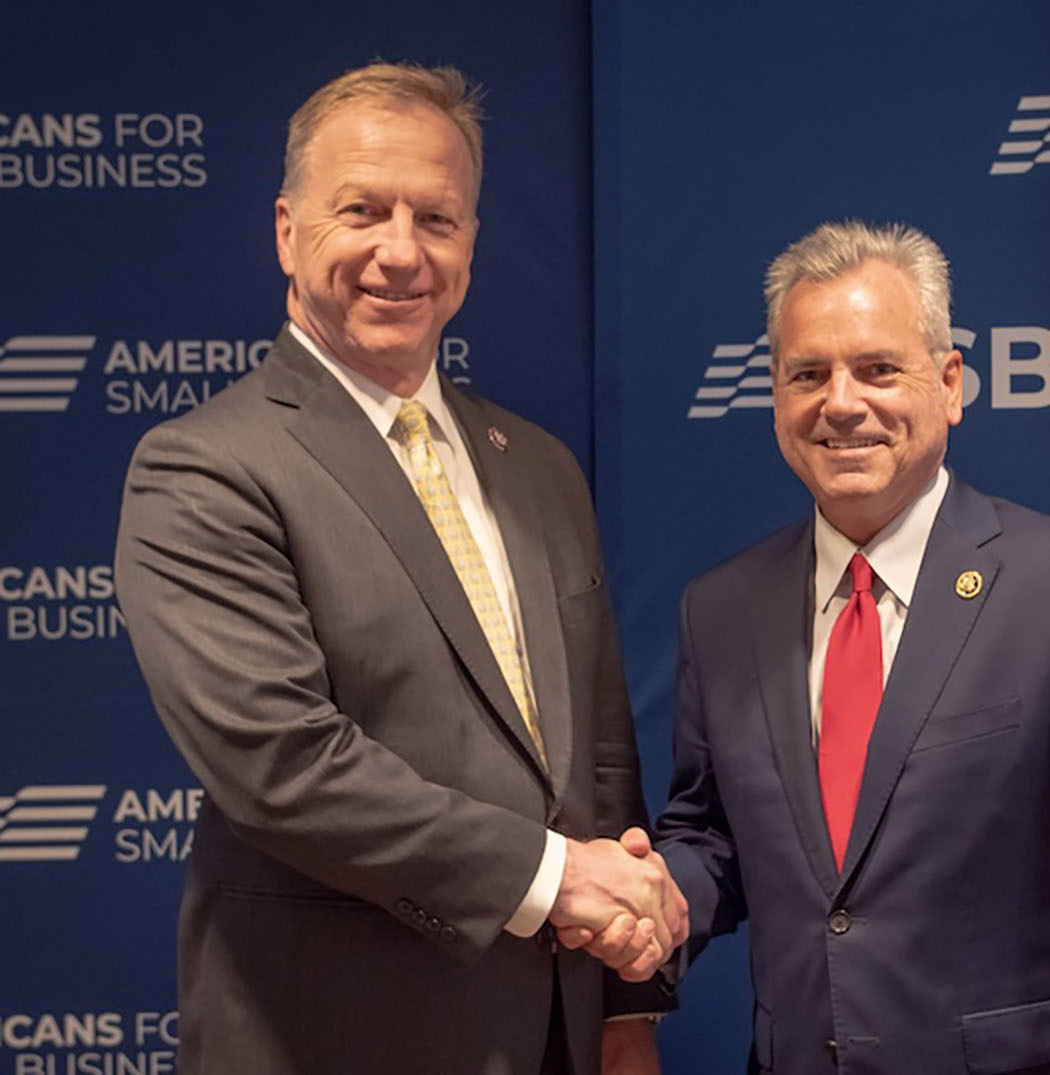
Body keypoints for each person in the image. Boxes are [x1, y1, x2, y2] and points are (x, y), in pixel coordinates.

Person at [115, 62, 680, 1075]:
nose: (401, 251)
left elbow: (597, 753)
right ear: (287, 230)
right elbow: (282, 767)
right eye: (363, 210)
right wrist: (555, 878)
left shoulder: (539, 466)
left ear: (472, 242)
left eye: (437, 218)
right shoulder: (205, 468)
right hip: (333, 1039)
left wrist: (626, 1006)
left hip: (554, 1036)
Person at [649, 221, 1050, 1072]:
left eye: (878, 368)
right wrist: (653, 894)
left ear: (949, 383)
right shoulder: (722, 608)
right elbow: (716, 837)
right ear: (775, 393)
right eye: (809, 374)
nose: (842, 402)